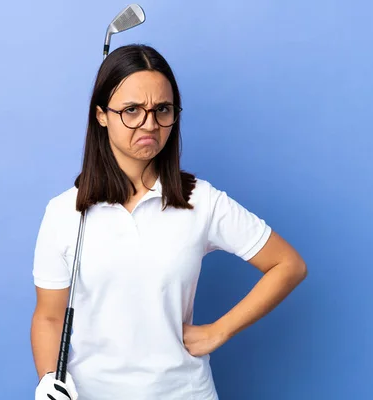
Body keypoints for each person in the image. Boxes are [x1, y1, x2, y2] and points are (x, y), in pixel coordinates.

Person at [31, 44, 307, 400]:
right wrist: (48, 379)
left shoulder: (199, 200)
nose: (150, 124)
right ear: (102, 115)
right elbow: (49, 317)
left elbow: (289, 265)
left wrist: (219, 331)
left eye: (162, 109)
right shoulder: (64, 212)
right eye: (132, 110)